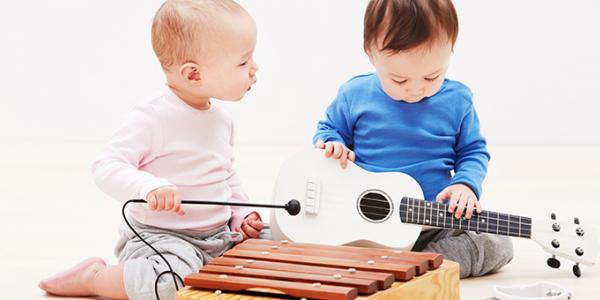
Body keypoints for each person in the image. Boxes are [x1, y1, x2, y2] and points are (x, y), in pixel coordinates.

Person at [38, 0, 262, 298]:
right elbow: (106, 166)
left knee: (277, 240)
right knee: (168, 282)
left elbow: (226, 176)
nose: (255, 68)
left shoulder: (221, 121)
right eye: (243, 62)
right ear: (193, 74)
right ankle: (94, 278)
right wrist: (149, 187)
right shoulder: (152, 117)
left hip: (220, 234)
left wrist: (241, 214)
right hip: (163, 239)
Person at [313, 0, 513, 278]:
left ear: (450, 52)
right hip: (365, 225)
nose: (416, 90)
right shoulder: (354, 93)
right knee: (310, 233)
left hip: (431, 222)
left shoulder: (458, 100)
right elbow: (328, 131)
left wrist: (465, 185)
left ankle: (411, 263)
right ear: (371, 53)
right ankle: (411, 264)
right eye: (399, 80)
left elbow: (473, 151)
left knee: (498, 242)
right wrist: (333, 144)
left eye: (433, 76)